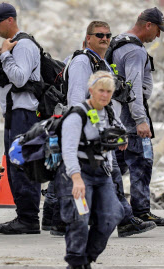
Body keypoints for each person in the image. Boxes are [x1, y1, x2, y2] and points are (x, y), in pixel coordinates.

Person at [63, 21, 156, 238]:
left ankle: (120, 220)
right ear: (88, 38)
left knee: (108, 175)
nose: (104, 39)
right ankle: (123, 220)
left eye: (107, 35)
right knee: (106, 175)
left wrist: (117, 130)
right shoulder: (82, 62)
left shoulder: (101, 63)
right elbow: (77, 99)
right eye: (99, 35)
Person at [56, 71, 125, 269]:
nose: (104, 95)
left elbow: (109, 147)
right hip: (77, 172)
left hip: (101, 173)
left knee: (113, 215)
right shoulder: (77, 114)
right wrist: (76, 179)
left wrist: (110, 171)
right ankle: (76, 263)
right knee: (79, 218)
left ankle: (88, 257)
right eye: (101, 90)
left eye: (109, 92)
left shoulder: (108, 113)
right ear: (91, 90)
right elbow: (68, 150)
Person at [110, 7, 164, 227]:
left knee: (115, 163)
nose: (158, 36)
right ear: (148, 25)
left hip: (116, 113)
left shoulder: (117, 42)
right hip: (131, 114)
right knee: (142, 161)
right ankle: (142, 211)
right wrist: (140, 120)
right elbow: (133, 86)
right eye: (157, 30)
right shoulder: (135, 51)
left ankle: (105, 209)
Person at [0, 3, 42, 235]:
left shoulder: (24, 45)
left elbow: (19, 79)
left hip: (24, 116)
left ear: (10, 20)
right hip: (14, 115)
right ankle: (24, 215)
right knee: (15, 166)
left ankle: (28, 219)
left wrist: (7, 54)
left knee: (22, 166)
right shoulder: (12, 46)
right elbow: (6, 82)